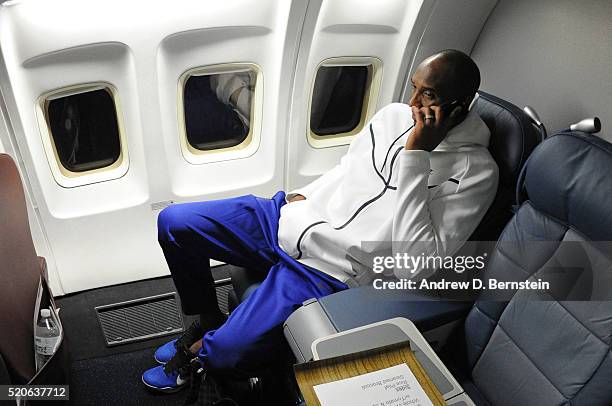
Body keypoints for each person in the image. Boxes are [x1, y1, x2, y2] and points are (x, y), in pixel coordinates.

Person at [141, 49, 499, 391]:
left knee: (227, 353)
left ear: (456, 108)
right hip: (293, 219)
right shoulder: (392, 116)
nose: (412, 104)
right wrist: (307, 193)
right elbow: (350, 167)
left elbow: (413, 265)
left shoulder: (476, 173)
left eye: (428, 95)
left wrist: (416, 157)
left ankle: (201, 355)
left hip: (333, 268)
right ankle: (208, 319)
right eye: (414, 88)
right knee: (175, 224)